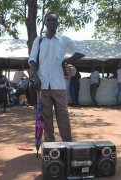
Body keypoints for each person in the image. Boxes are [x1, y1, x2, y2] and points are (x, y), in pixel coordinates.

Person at [28, 12, 85, 142]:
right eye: (49, 20)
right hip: (42, 85)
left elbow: (81, 52)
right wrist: (36, 78)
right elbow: (32, 60)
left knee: (63, 116)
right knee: (45, 117)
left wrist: (66, 61)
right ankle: (50, 146)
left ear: (58, 23)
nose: (52, 22)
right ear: (45, 23)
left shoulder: (64, 39)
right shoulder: (39, 40)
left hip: (59, 85)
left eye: (55, 20)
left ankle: (67, 144)